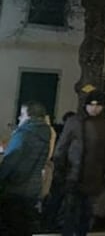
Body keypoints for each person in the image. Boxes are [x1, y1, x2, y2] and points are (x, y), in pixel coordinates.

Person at [55, 90, 105, 236]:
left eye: (98, 105)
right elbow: (62, 147)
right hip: (73, 175)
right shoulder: (74, 122)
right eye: (91, 105)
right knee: (70, 213)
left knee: (86, 214)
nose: (94, 108)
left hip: (94, 176)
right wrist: (60, 170)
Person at [0, 101, 55, 236]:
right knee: (24, 227)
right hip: (33, 189)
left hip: (15, 190)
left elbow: (11, 161)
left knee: (10, 226)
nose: (19, 118)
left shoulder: (23, 134)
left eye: (22, 114)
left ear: (30, 116)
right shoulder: (46, 134)